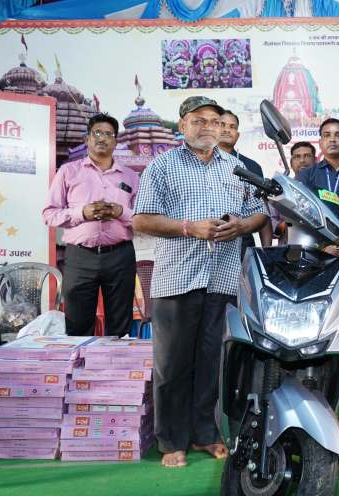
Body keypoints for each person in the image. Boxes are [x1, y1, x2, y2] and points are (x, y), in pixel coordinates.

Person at [132, 96, 269, 468]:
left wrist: (241, 226)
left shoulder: (236, 168)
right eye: (198, 120)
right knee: (172, 365)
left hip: (222, 278)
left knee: (211, 361)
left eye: (214, 120)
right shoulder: (162, 166)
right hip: (177, 278)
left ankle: (205, 433)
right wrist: (188, 228)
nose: (207, 126)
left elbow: (259, 213)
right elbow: (141, 220)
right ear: (182, 126)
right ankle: (171, 440)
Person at [43, 113, 138, 337]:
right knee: (77, 325)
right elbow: (49, 215)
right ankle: (80, 360)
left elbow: (143, 219)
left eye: (108, 134)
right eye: (97, 133)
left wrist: (120, 212)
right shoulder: (68, 171)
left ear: (115, 141)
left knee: (120, 327)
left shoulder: (131, 176)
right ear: (87, 139)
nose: (102, 138)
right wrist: (82, 213)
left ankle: (117, 360)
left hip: (120, 255)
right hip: (80, 256)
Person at [218, 109, 273, 248]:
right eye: (222, 125)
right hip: (205, 242)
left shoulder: (251, 166)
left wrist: (267, 252)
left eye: (232, 127)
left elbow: (262, 211)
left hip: (243, 245)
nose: (227, 130)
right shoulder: (200, 162)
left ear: (237, 135)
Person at [297, 118, 339, 218]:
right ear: (320, 143)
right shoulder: (306, 175)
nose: (332, 139)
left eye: (338, 135)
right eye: (327, 135)